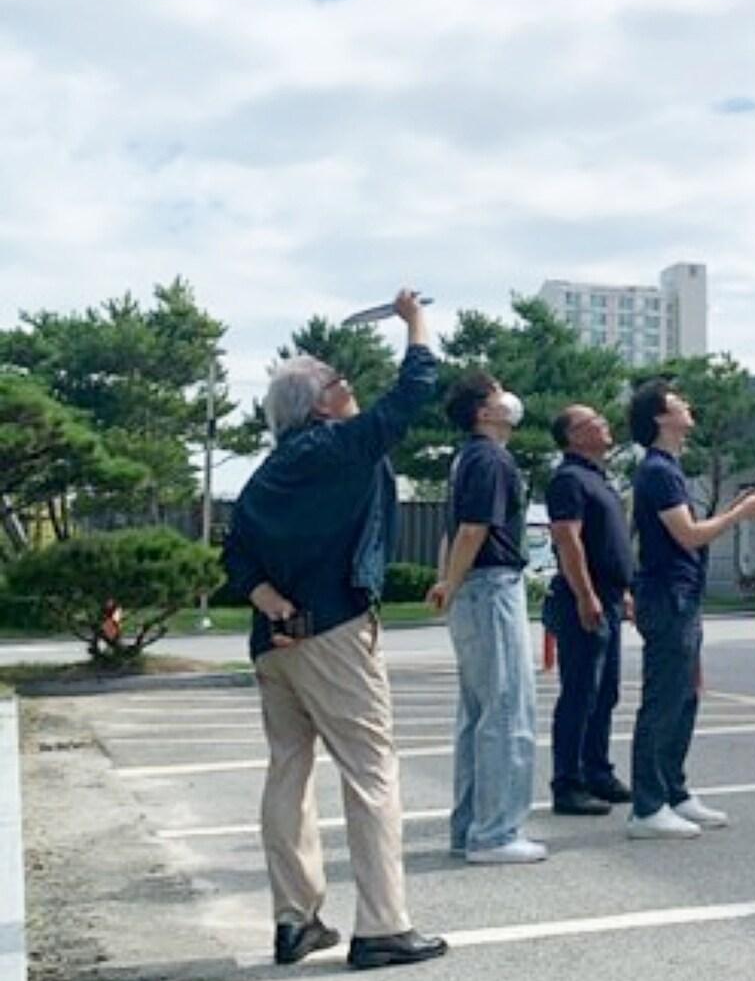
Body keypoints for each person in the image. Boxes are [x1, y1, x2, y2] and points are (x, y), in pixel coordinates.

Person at [222, 289, 446, 972]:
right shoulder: (335, 450)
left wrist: (274, 606)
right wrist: (414, 324)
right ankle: (381, 926)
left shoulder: (267, 474)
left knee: (288, 772)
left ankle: (296, 921)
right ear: (319, 403)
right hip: (336, 635)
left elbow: (235, 557)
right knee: (372, 771)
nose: (351, 391)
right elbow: (412, 395)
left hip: (276, 646)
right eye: (340, 383)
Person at [626, 379, 755, 839]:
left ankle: (675, 792)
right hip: (669, 594)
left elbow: (689, 529)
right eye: (677, 400)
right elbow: (688, 535)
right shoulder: (658, 471)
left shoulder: (669, 468)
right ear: (659, 417)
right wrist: (738, 515)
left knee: (684, 698)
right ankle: (648, 807)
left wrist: (731, 510)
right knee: (664, 699)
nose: (687, 403)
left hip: (681, 594)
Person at [427, 371, 544, 863]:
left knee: (478, 713)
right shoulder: (492, 458)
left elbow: (452, 532)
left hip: (474, 591)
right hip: (491, 587)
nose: (508, 400)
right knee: (507, 709)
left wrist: (446, 583)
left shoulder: (466, 459)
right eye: (498, 393)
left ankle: (470, 827)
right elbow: (473, 530)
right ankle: (495, 833)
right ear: (484, 412)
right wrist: (452, 583)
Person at [542, 404, 633, 816]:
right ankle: (568, 783)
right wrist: (585, 594)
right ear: (575, 437)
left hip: (609, 597)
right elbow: (567, 538)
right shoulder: (568, 479)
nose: (604, 424)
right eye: (593, 422)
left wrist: (620, 591)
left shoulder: (599, 480)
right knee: (580, 692)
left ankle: (598, 771)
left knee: (605, 692)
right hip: (584, 600)